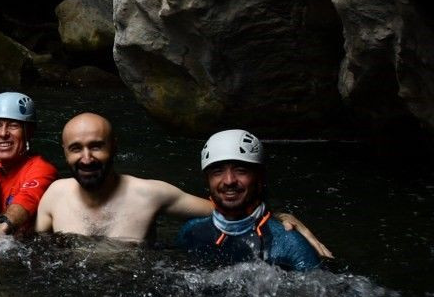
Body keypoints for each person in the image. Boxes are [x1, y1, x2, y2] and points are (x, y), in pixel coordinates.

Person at [35, 113, 332, 255]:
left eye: (96, 146)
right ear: (65, 152)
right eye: (76, 148)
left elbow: (228, 208)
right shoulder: (53, 196)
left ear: (114, 147)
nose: (87, 158)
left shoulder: (151, 194)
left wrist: (277, 216)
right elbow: (35, 255)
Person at [175, 130, 322, 271]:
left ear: (260, 177)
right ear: (207, 180)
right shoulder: (190, 232)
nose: (229, 181)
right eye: (217, 172)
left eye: (241, 170)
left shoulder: (290, 245)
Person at [0, 92, 57, 242]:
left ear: (29, 132)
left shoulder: (42, 169)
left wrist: (3, 225)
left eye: (13, 126)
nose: (3, 133)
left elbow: (28, 197)